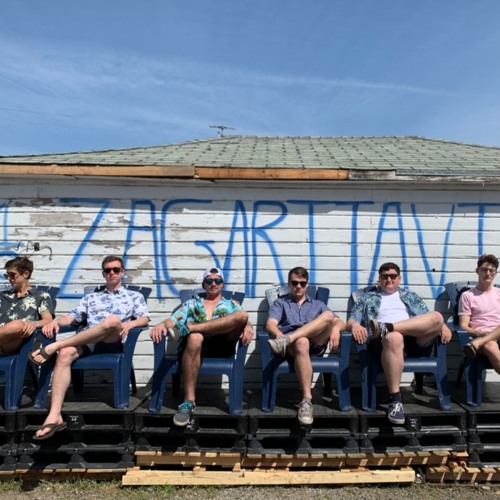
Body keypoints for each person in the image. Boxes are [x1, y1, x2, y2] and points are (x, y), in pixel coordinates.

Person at [30, 255, 150, 440]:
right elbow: (71, 318)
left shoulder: (134, 296)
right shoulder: (91, 297)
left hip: (113, 341)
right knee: (65, 354)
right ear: (103, 273)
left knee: (112, 320)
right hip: (89, 341)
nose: (112, 273)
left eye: (116, 270)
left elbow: (144, 318)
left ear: (122, 272)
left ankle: (57, 344)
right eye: (108, 270)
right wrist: (55, 322)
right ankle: (55, 415)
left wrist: (130, 324)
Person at [347, 262, 452, 425]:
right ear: (379, 279)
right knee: (394, 337)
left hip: (413, 339)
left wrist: (442, 326)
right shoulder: (367, 297)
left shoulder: (410, 296)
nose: (389, 279)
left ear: (399, 278)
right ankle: (395, 400)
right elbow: (352, 319)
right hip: (384, 342)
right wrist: (354, 325)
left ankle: (388, 327)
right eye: (385, 276)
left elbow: (428, 318)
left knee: (438, 316)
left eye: (393, 276)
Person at [149, 267, 253, 427]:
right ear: (204, 284)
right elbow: (173, 320)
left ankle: (190, 328)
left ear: (222, 283)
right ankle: (188, 402)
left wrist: (249, 327)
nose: (213, 284)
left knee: (242, 315)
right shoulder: (192, 303)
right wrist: (161, 324)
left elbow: (243, 318)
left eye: (217, 280)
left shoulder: (231, 304)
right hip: (195, 347)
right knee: (195, 337)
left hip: (222, 345)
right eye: (209, 281)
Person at [265, 266, 346, 426]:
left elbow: (340, 322)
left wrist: (336, 329)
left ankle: (289, 338)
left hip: (315, 343)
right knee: (302, 341)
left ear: (307, 284)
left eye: (302, 283)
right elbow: (270, 324)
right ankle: (306, 401)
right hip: (293, 348)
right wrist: (279, 335)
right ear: (289, 283)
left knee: (328, 316)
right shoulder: (280, 303)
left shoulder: (318, 304)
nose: (298, 286)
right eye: (295, 283)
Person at [0, 256, 55, 354]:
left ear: (26, 274)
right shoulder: (3, 295)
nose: (9, 279)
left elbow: (48, 320)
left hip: (13, 344)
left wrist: (34, 324)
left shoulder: (40, 296)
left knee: (17, 325)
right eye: (7, 275)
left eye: (12, 275)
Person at [459, 254, 500, 372]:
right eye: (484, 269)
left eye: (491, 270)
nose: (488, 273)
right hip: (481, 337)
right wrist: (478, 333)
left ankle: (478, 343)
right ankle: (480, 341)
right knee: (490, 345)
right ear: (477, 271)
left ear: (495, 273)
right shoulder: (468, 296)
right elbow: (463, 325)